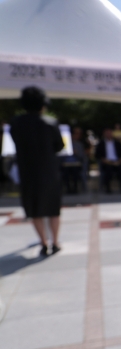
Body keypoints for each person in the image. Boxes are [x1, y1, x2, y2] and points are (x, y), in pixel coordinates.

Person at [10, 86, 64, 256]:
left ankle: (43, 243)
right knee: (53, 209)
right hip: (48, 172)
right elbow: (59, 146)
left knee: (34, 210)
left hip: (27, 172)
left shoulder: (16, 123)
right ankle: (55, 242)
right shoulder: (50, 122)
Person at [95, 128, 121, 193]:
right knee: (108, 171)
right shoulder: (101, 144)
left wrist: (120, 160)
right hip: (107, 163)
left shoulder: (117, 143)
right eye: (107, 133)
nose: (109, 135)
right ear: (104, 134)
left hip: (117, 162)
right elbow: (97, 155)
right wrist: (103, 160)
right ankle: (108, 188)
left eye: (110, 133)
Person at [60, 127, 87, 194]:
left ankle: (75, 189)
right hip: (65, 164)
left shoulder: (79, 144)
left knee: (75, 173)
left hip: (76, 164)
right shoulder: (64, 144)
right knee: (65, 174)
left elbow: (82, 156)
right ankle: (68, 189)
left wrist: (76, 153)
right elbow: (60, 156)